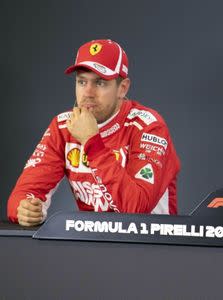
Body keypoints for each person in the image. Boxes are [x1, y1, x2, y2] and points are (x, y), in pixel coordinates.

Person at [8, 39, 181, 226]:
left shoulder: (149, 127)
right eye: (82, 81)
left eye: (100, 83)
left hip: (152, 247)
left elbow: (136, 211)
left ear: (122, 88)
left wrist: (92, 142)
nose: (88, 93)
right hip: (94, 247)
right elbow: (22, 195)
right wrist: (25, 209)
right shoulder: (63, 127)